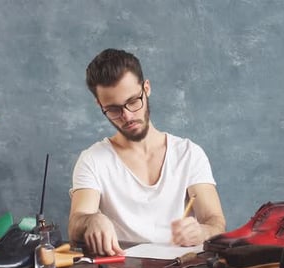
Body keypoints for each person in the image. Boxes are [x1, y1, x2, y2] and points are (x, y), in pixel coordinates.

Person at [68, 48, 226, 256]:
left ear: (147, 88)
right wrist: (91, 220)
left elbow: (216, 223)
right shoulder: (92, 160)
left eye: (133, 101)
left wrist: (202, 231)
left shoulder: (189, 154)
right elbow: (75, 225)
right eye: (114, 109)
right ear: (100, 105)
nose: (127, 116)